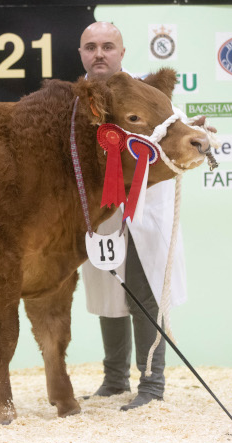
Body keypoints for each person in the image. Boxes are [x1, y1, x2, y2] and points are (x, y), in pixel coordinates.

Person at [78, 21, 188, 410]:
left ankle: (152, 383)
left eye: (108, 46)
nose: (99, 54)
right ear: (81, 54)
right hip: (98, 209)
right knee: (107, 288)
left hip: (144, 206)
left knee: (144, 289)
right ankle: (115, 378)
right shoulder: (76, 101)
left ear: (122, 53)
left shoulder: (151, 94)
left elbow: (178, 139)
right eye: (91, 47)